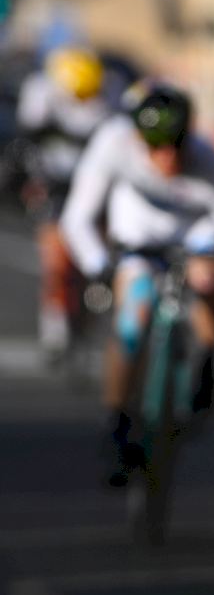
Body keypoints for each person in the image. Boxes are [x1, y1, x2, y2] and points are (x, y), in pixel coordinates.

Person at [60, 80, 214, 484]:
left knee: (209, 278)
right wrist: (98, 264)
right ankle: (116, 420)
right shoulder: (113, 142)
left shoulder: (205, 157)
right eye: (155, 145)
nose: (167, 156)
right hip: (137, 233)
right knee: (132, 319)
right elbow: (77, 218)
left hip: (193, 234)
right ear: (136, 135)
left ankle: (207, 365)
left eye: (176, 144)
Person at [16, 46, 113, 361]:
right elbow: (26, 142)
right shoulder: (41, 95)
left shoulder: (106, 103)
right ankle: (55, 322)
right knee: (56, 261)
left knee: (92, 259)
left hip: (91, 186)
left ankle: (88, 320)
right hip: (54, 184)